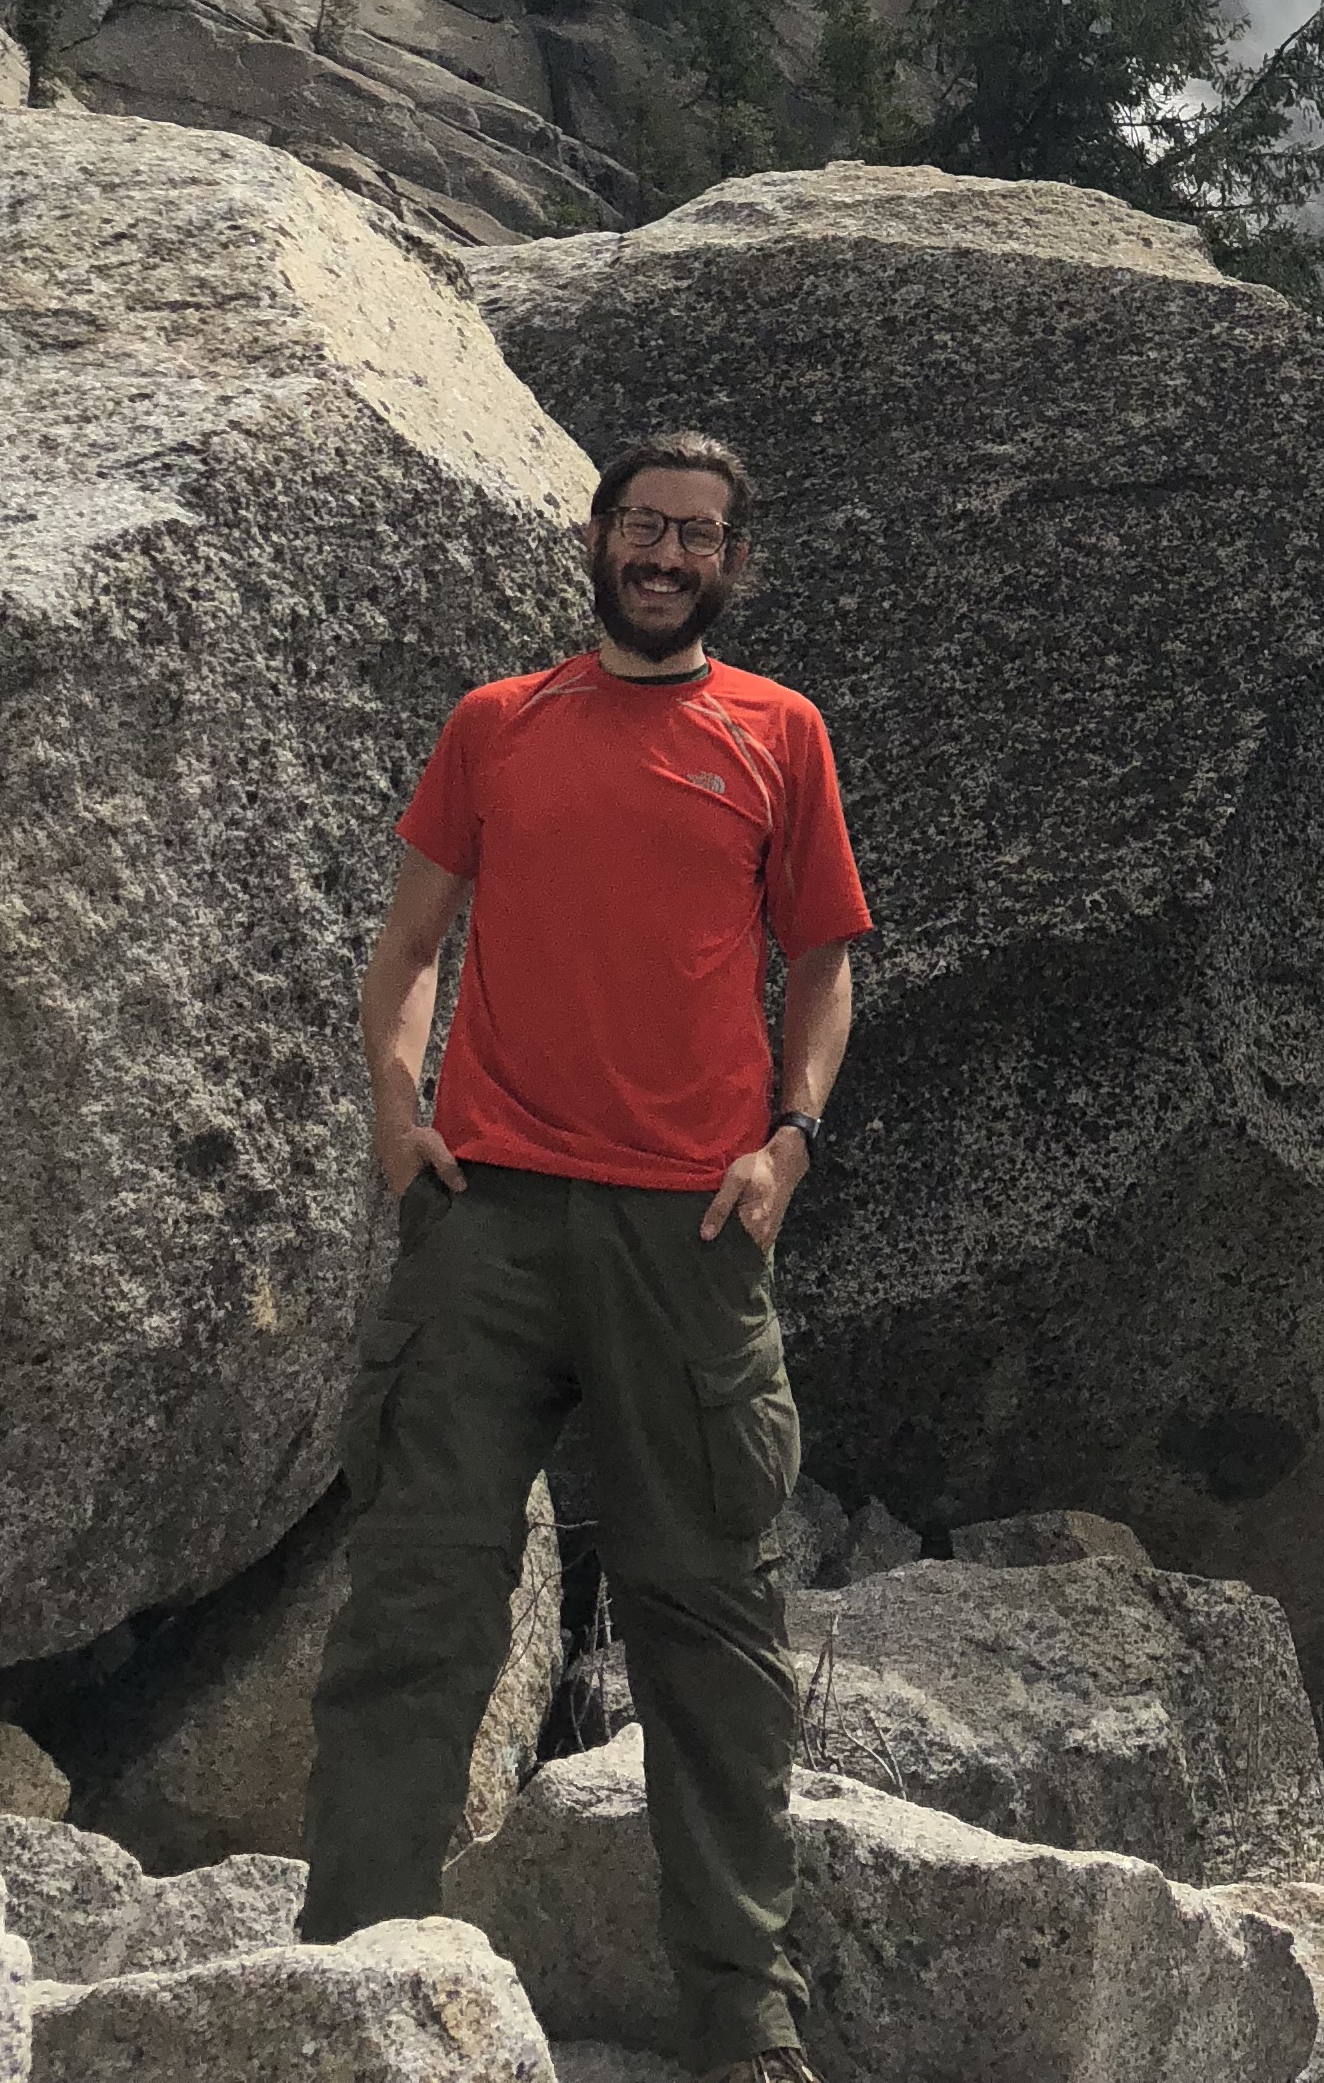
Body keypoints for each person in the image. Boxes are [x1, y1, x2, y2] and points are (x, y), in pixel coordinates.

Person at [299, 428, 869, 2082]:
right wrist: (397, 1106)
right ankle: (351, 1980)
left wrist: (791, 1144)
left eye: (698, 534)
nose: (665, 553)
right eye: (643, 524)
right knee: (417, 1599)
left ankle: (743, 2019)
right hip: (486, 1223)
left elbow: (825, 964)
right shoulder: (498, 723)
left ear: (731, 564)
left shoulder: (781, 735)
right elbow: (410, 940)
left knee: (713, 1623)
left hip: (688, 1234)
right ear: (601, 537)